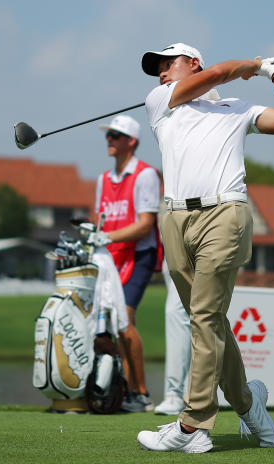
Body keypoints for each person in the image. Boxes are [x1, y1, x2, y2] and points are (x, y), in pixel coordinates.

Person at [135, 42, 274, 453]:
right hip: (175, 219)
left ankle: (194, 425)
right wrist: (251, 64)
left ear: (191, 62)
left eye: (167, 64)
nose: (160, 73)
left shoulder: (237, 109)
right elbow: (215, 75)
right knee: (209, 322)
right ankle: (250, 407)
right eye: (156, 68)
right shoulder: (162, 101)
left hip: (224, 216)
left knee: (204, 317)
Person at [88, 114, 161, 413]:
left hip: (139, 254)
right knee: (115, 326)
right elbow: (99, 221)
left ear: (131, 142)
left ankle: (141, 393)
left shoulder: (145, 175)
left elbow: (145, 225)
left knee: (125, 319)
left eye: (115, 136)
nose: (109, 140)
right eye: (108, 135)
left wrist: (108, 236)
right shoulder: (103, 179)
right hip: (110, 257)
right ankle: (124, 388)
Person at [154, 264, 191, 416]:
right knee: (188, 317)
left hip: (192, 249)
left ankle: (174, 395)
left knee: (176, 312)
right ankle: (186, 393)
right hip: (171, 253)